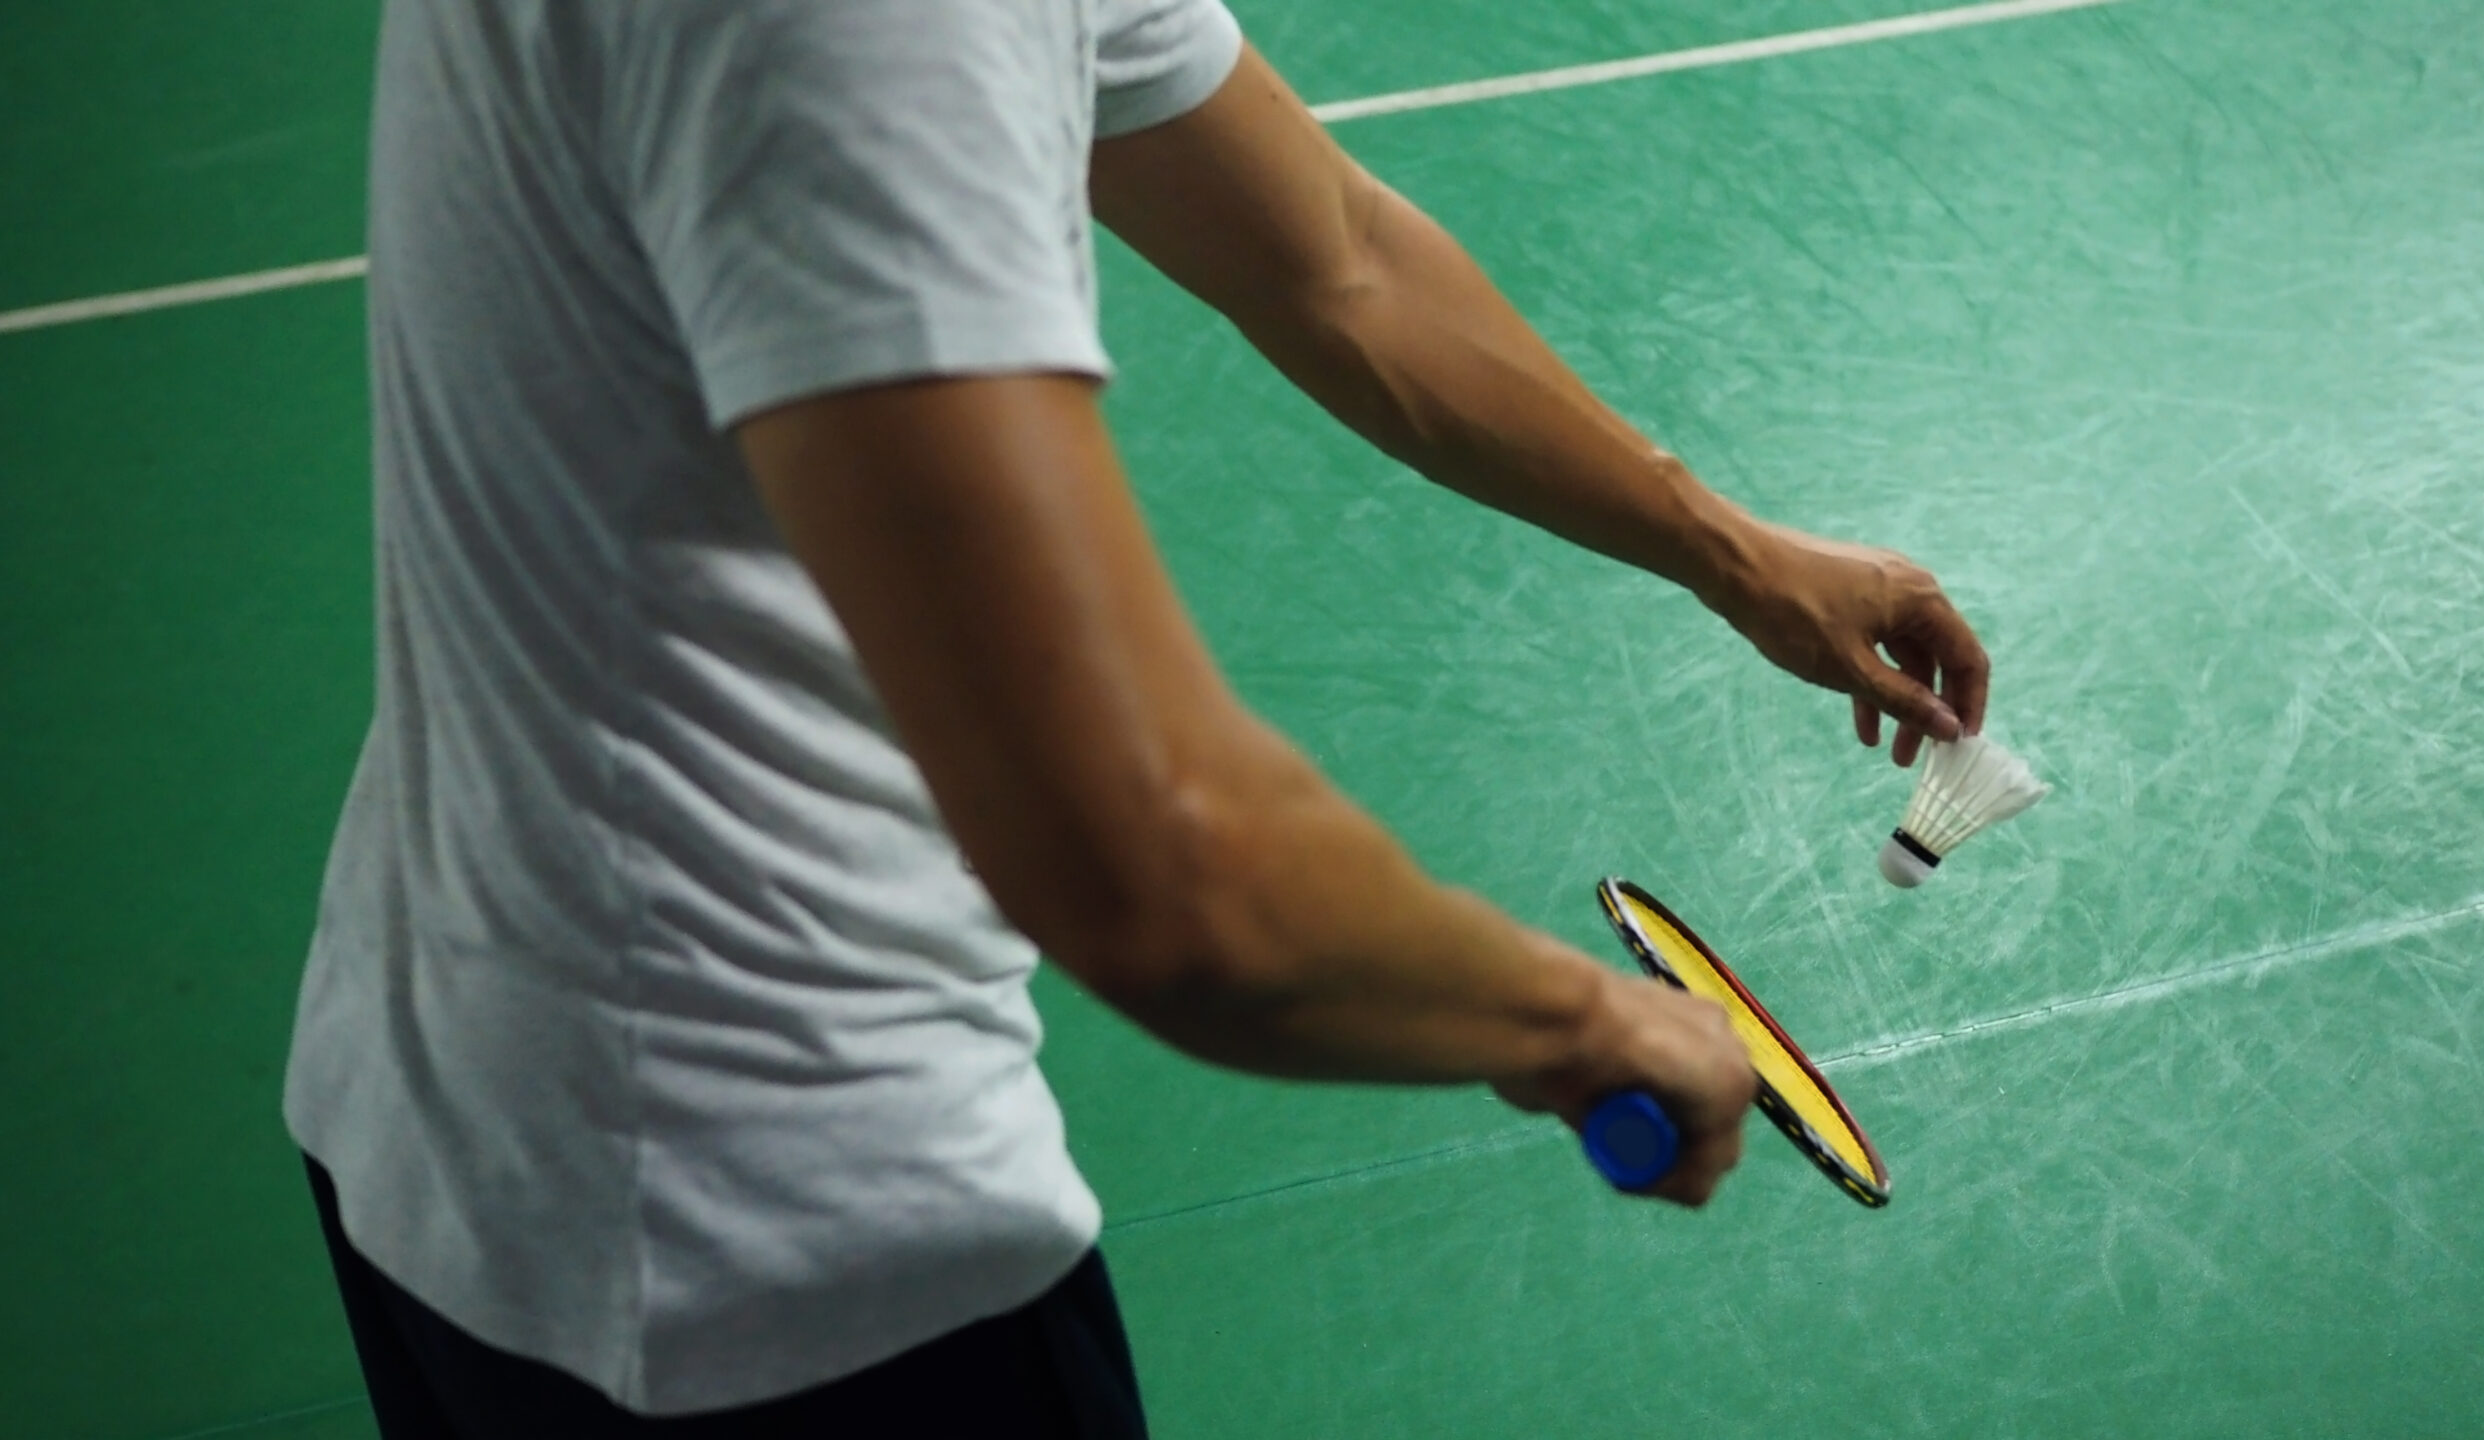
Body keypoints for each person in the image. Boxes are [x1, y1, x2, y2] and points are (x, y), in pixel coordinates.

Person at [283, 0, 1992, 1434]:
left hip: (461, 1092)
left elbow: (1334, 260)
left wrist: (1739, 558)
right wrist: (1588, 1030)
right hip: (772, 1255)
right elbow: (1162, 866)